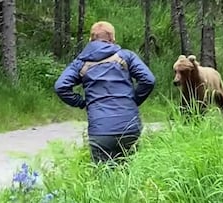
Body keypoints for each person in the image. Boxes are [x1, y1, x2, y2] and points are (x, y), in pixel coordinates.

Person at [54, 21, 156, 165]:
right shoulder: (126, 56)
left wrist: (82, 102)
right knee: (131, 174)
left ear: (91, 39)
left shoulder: (81, 62)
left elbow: (61, 86)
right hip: (130, 128)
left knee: (104, 179)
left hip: (101, 131)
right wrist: (133, 101)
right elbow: (149, 80)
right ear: (113, 39)